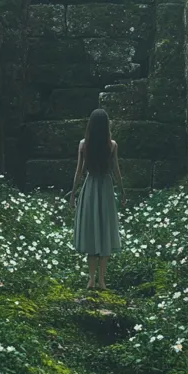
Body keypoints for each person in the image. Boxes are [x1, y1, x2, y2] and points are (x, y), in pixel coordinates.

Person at [70, 108, 126, 290]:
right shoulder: (112, 145)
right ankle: (101, 280)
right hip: (106, 188)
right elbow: (117, 171)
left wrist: (73, 194)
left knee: (92, 230)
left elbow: (79, 172)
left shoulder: (83, 144)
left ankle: (91, 279)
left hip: (91, 187)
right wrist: (122, 191)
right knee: (105, 230)